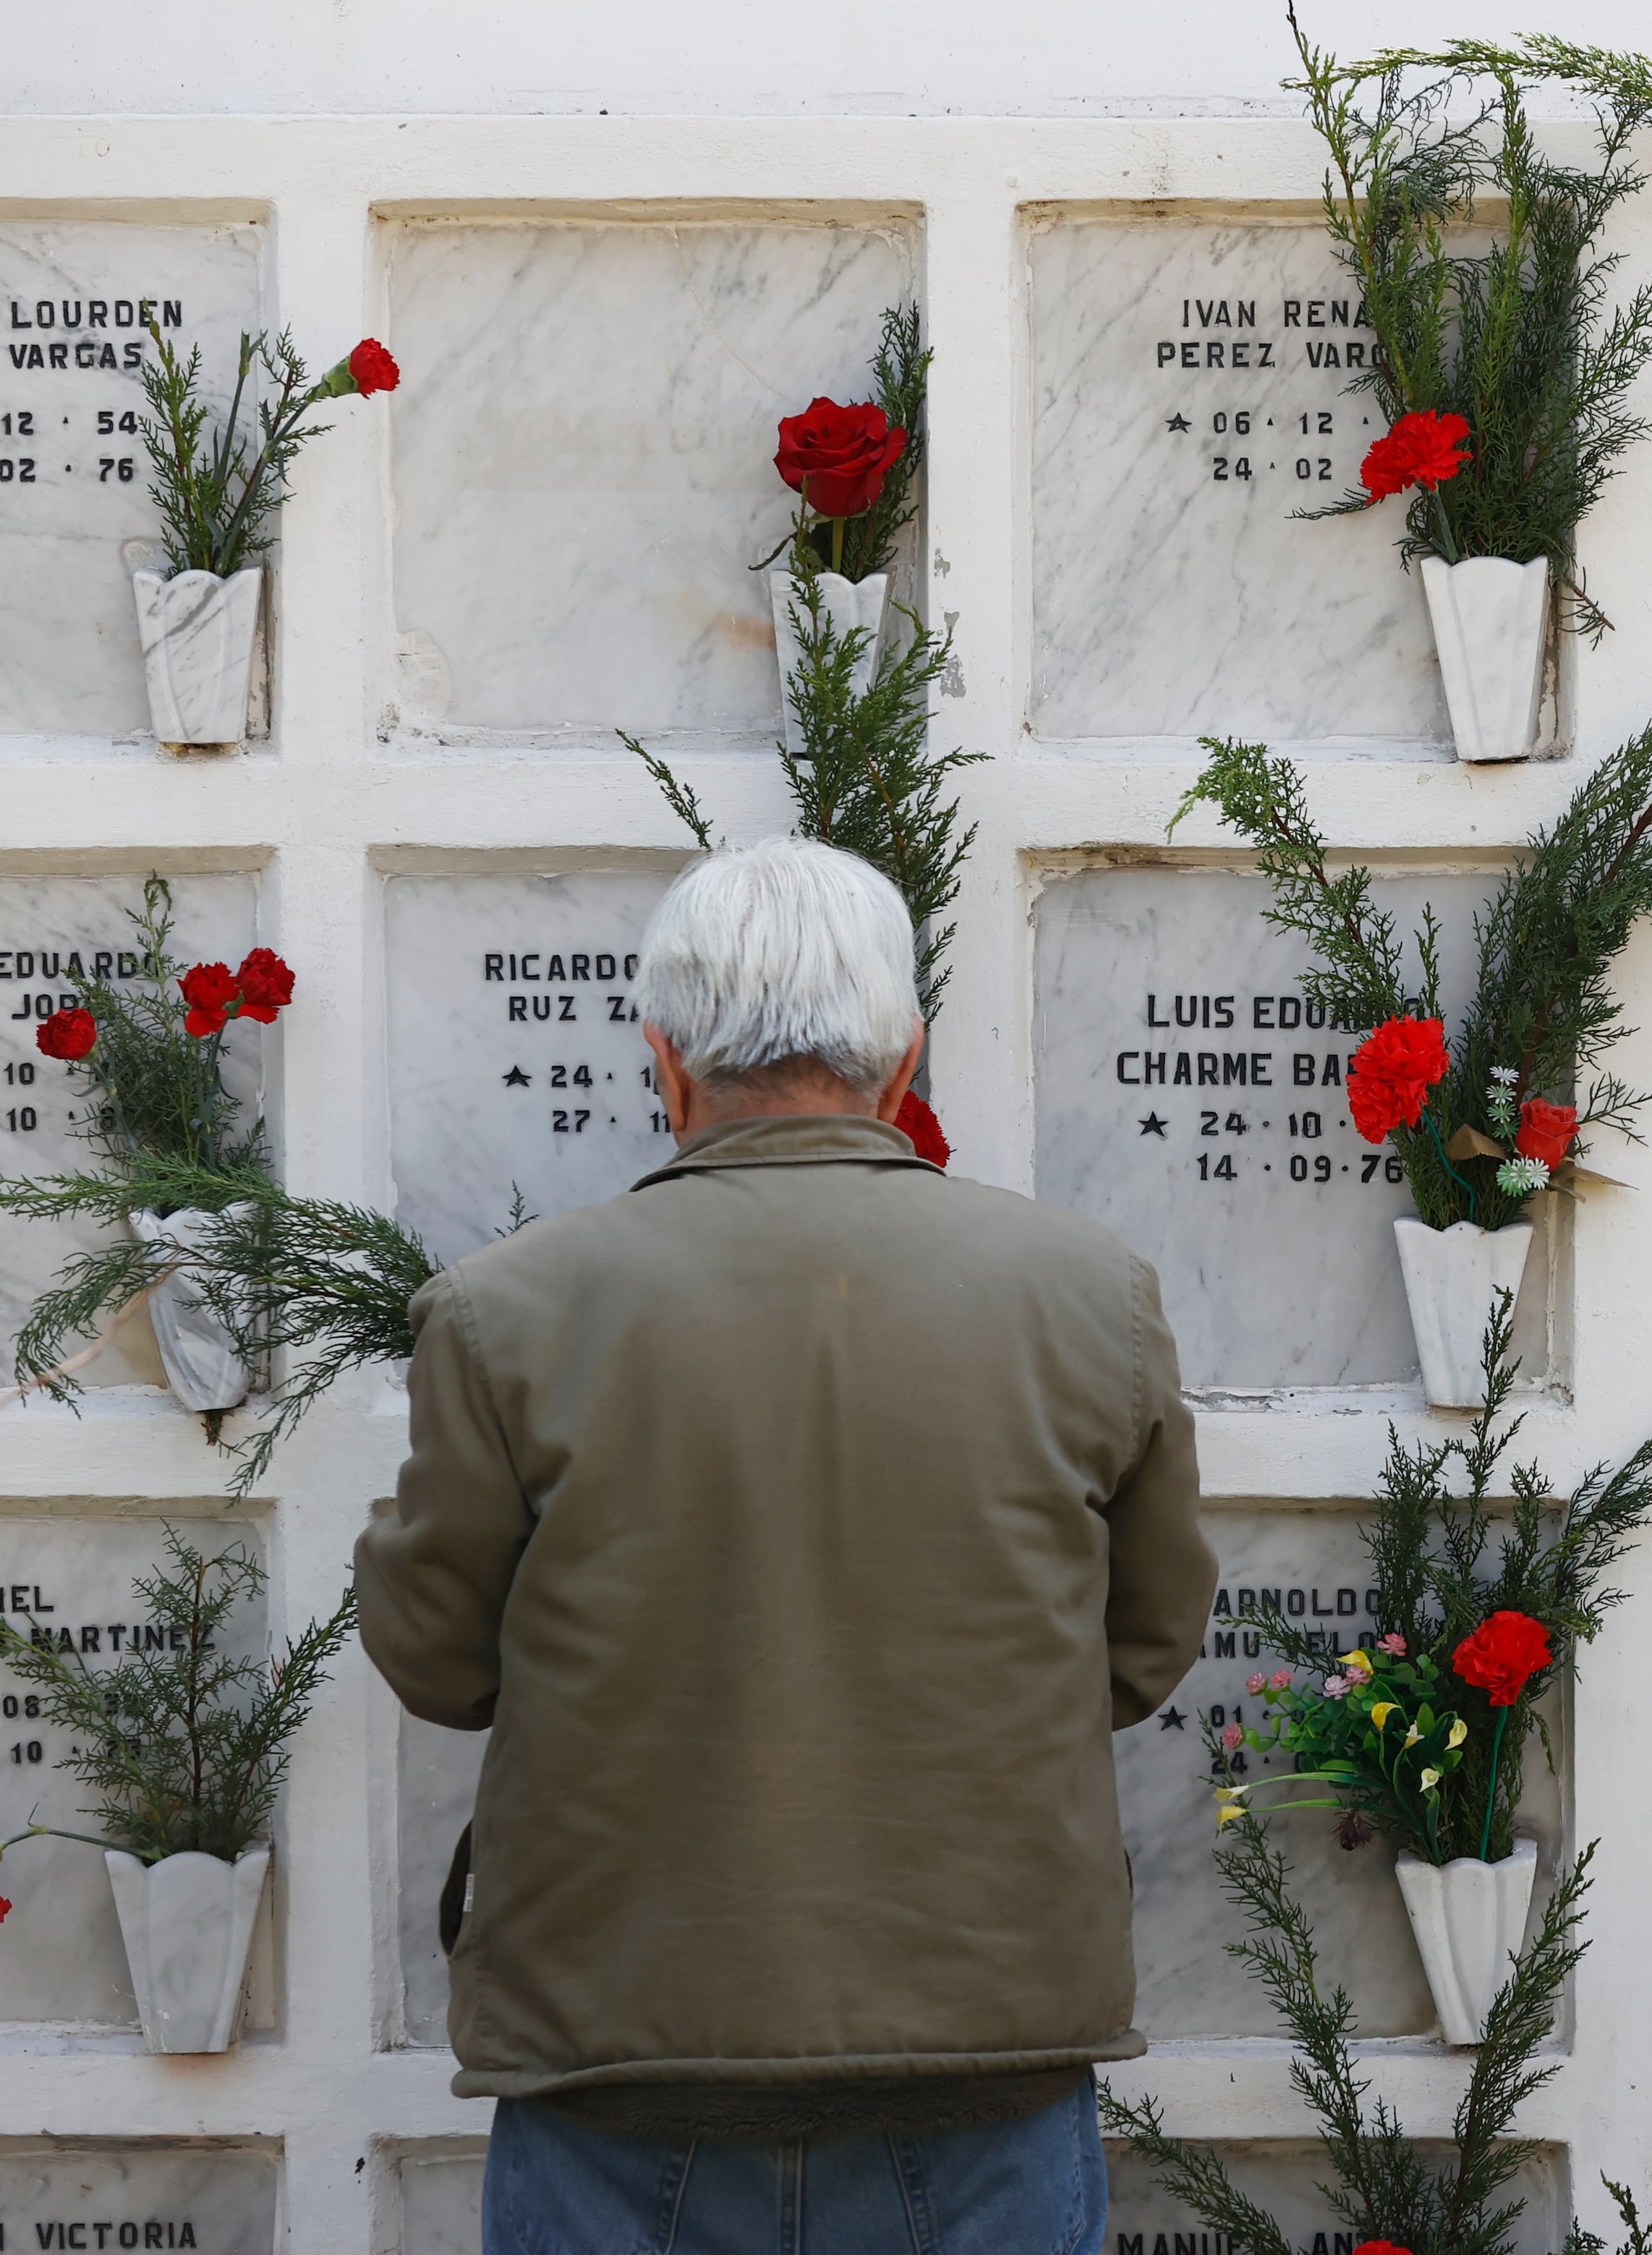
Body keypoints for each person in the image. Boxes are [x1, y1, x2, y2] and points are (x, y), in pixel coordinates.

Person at [355, 838, 1218, 2255]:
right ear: (906, 1058)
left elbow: (441, 1660)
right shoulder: (1087, 1297)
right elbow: (1142, 1646)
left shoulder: (505, 1311)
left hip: (622, 2050)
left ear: (666, 1062)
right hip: (983, 2051)